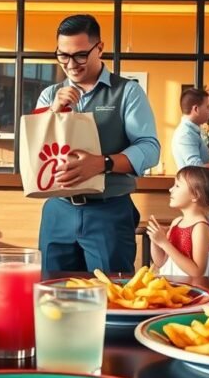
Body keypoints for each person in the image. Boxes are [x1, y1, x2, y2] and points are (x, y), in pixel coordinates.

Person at [35, 14, 160, 277]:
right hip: (58, 210)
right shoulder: (49, 95)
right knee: (52, 293)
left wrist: (101, 163)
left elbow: (150, 148)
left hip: (110, 210)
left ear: (99, 48)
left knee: (110, 296)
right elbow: (34, 150)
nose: (71, 64)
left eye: (80, 55)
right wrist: (53, 111)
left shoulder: (128, 92)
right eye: (63, 55)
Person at [147, 166, 209, 278]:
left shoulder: (200, 228)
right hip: (172, 286)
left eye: (177, 186)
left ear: (195, 195)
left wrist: (164, 243)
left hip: (191, 291)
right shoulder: (177, 222)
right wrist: (155, 240)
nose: (171, 189)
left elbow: (197, 272)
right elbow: (161, 263)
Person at [171, 88, 209, 169]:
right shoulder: (185, 134)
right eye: (207, 107)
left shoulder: (194, 131)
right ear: (196, 109)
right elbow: (196, 169)